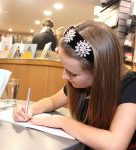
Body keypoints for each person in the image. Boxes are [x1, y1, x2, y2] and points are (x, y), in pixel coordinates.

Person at [13, 20, 136, 149]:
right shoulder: (79, 85)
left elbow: (114, 144)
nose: (64, 76)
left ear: (99, 72)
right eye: (64, 68)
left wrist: (61, 122)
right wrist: (29, 110)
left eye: (73, 73)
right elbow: (52, 101)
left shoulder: (131, 86)